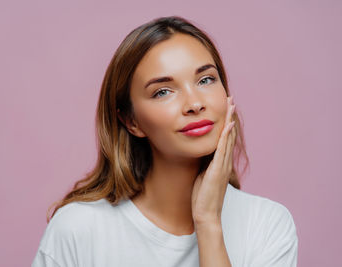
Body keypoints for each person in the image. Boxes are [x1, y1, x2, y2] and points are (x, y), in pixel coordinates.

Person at [31, 16, 298, 267]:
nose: (194, 104)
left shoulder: (267, 224)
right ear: (131, 121)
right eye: (162, 92)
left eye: (206, 80)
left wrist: (208, 223)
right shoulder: (78, 229)